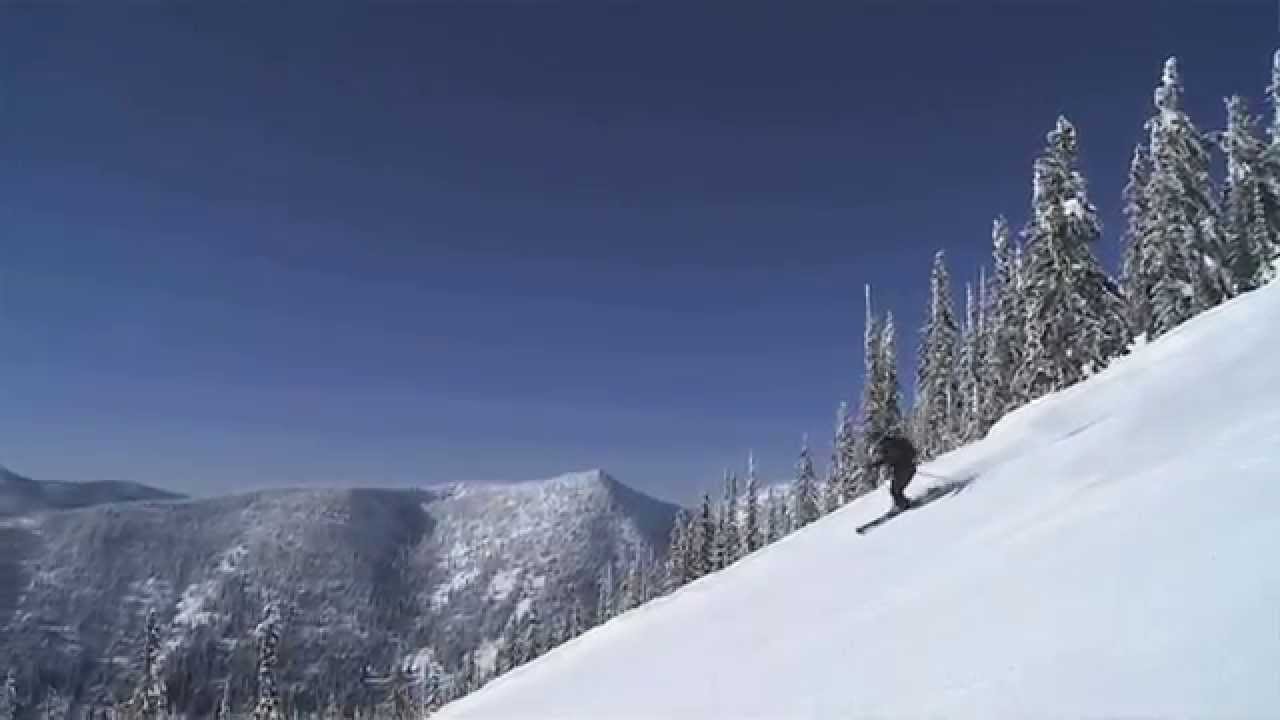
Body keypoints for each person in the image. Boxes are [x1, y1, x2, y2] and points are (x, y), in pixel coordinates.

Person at [868, 433, 918, 511]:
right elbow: (888, 458)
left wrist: (880, 464)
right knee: (896, 490)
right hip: (907, 468)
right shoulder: (890, 443)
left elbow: (891, 457)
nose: (877, 454)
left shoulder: (888, 446)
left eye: (876, 452)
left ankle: (902, 505)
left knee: (895, 490)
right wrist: (877, 464)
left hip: (904, 469)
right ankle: (903, 503)